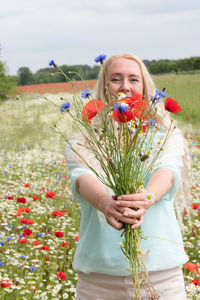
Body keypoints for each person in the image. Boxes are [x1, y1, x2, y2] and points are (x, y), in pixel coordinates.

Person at [65, 53, 188, 300]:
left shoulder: (165, 134)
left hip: (160, 276)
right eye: (116, 79)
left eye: (134, 79)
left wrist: (146, 198)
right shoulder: (83, 140)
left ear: (144, 87)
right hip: (98, 279)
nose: (125, 87)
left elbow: (168, 172)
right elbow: (81, 177)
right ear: (104, 87)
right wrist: (106, 204)